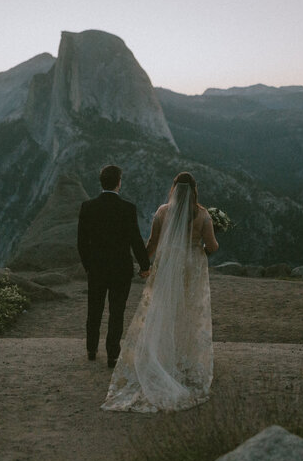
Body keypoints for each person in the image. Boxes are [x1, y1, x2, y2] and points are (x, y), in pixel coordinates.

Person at [102, 172, 219, 413]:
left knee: (164, 308)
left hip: (167, 265)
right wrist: (203, 250)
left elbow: (153, 243)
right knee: (188, 311)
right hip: (191, 266)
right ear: (195, 190)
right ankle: (184, 358)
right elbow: (213, 246)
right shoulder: (203, 214)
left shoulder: (163, 211)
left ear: (174, 188)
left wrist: (144, 265)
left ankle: (161, 355)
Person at [78, 165, 151, 368]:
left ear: (101, 182)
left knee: (94, 310)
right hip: (121, 269)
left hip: (97, 269)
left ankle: (91, 349)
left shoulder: (88, 207)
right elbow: (136, 240)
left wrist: (88, 266)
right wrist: (145, 265)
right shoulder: (127, 208)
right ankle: (112, 354)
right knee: (116, 312)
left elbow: (81, 243)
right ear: (119, 182)